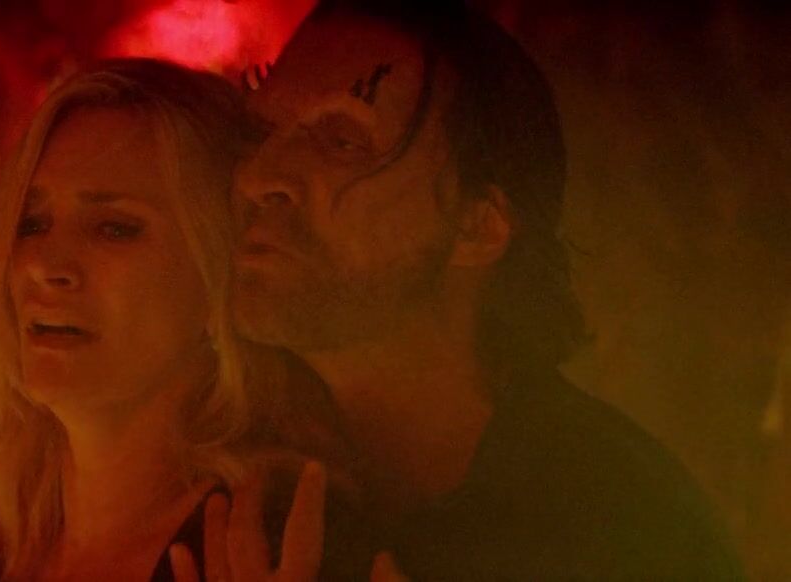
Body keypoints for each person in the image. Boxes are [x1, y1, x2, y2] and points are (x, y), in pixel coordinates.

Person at [174, 1, 745, 580]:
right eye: (260, 133)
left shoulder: (618, 524)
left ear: (477, 227)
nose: (259, 177)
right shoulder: (219, 478)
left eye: (342, 142)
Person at [0, 58, 356, 581]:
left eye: (113, 228)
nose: (45, 265)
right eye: (32, 222)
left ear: (218, 273)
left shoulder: (277, 549)